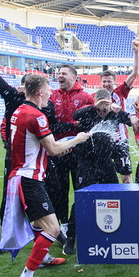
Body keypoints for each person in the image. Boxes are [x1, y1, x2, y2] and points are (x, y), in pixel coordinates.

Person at [0, 73, 90, 277]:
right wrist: (77, 139)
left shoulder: (20, 110)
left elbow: (39, 144)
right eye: (48, 89)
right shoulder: (36, 115)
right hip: (29, 178)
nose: (51, 94)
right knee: (53, 228)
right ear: (40, 92)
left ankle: (43, 256)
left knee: (40, 223)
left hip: (23, 175)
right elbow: (54, 149)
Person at [65, 89, 135, 254]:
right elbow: (75, 115)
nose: (103, 109)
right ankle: (71, 236)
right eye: (100, 105)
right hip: (86, 163)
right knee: (81, 199)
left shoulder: (113, 114)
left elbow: (130, 121)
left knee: (114, 196)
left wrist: (120, 110)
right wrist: (95, 105)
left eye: (106, 105)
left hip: (106, 162)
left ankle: (114, 231)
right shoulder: (88, 114)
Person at [48, 64, 94, 237]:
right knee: (59, 190)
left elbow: (90, 122)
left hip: (79, 152)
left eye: (64, 73)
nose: (59, 75)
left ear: (74, 77)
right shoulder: (52, 96)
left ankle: (80, 221)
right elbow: (50, 123)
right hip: (58, 151)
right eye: (58, 73)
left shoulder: (85, 97)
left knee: (80, 188)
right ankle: (64, 223)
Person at [98, 39, 139, 183]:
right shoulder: (95, 97)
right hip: (103, 141)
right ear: (100, 83)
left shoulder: (120, 92)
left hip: (120, 140)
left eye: (109, 81)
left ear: (114, 82)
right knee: (105, 178)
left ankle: (127, 196)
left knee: (126, 177)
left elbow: (135, 73)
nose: (106, 84)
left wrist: (136, 52)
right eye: (104, 81)